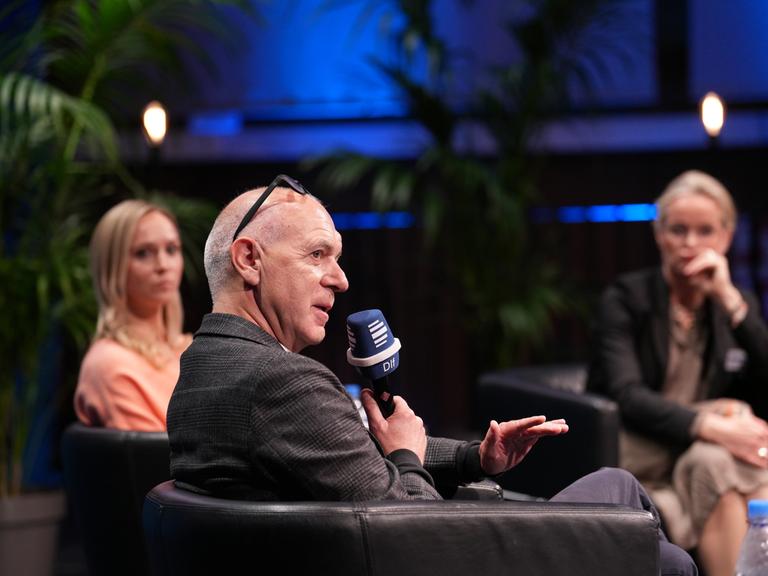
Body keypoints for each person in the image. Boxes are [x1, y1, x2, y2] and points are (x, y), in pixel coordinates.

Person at [167, 175, 697, 575]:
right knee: (650, 536)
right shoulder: (281, 382)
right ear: (249, 260)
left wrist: (473, 457)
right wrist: (404, 454)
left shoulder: (206, 365)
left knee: (622, 494)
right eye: (317, 255)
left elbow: (351, 458)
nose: (341, 279)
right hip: (434, 557)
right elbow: (412, 535)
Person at [587, 170, 768, 576]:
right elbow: (626, 394)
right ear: (658, 234)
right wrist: (709, 423)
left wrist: (730, 302)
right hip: (638, 442)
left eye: (705, 231)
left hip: (702, 453)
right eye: (678, 230)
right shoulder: (626, 298)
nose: (690, 244)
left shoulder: (733, 305)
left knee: (718, 461)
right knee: (728, 436)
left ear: (726, 236)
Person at [75, 199, 192, 431]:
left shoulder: (190, 351)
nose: (163, 265)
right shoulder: (109, 364)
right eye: (143, 253)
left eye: (171, 249)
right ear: (113, 266)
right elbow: (158, 461)